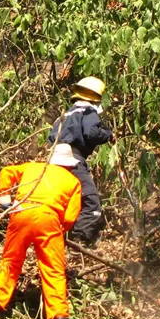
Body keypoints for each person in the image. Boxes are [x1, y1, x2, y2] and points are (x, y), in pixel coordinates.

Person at [0, 144, 83, 319]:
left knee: (11, 260)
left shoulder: (33, 167)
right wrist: (57, 227)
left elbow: (7, 172)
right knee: (53, 269)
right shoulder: (74, 182)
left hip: (22, 212)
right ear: (69, 165)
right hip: (49, 219)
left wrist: (4, 197)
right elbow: (70, 217)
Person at [47, 77, 114, 246]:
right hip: (73, 160)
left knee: (62, 199)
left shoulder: (67, 113)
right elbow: (92, 133)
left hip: (53, 161)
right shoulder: (88, 112)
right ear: (97, 97)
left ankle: (58, 235)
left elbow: (51, 138)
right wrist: (108, 134)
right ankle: (79, 239)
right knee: (90, 201)